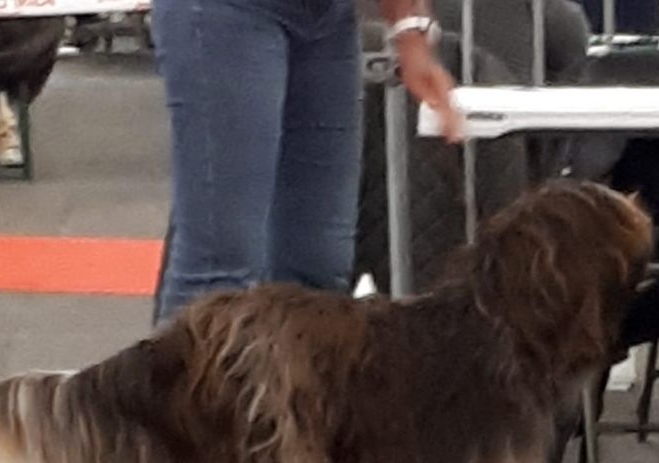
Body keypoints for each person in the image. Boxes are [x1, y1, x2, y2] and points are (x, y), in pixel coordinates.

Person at [150, 0, 461, 324]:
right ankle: (184, 357)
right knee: (218, 273)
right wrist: (409, 31)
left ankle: (289, 360)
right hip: (229, 11)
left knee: (317, 273)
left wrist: (409, 31)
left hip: (327, 19)